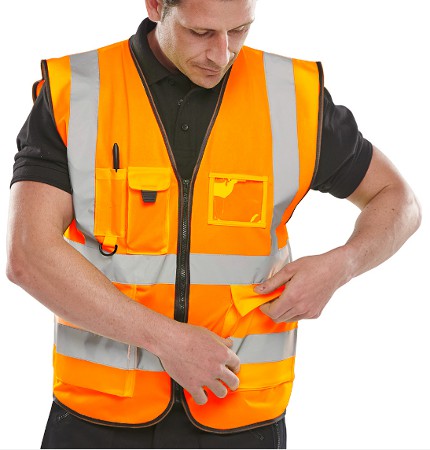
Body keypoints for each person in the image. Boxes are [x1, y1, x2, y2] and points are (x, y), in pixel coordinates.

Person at [6, 0, 421, 448]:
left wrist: (342, 265)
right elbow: (28, 254)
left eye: (239, 30)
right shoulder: (77, 91)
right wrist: (167, 341)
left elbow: (399, 200)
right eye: (200, 33)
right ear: (155, 6)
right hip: (96, 420)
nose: (222, 55)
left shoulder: (291, 97)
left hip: (242, 417)